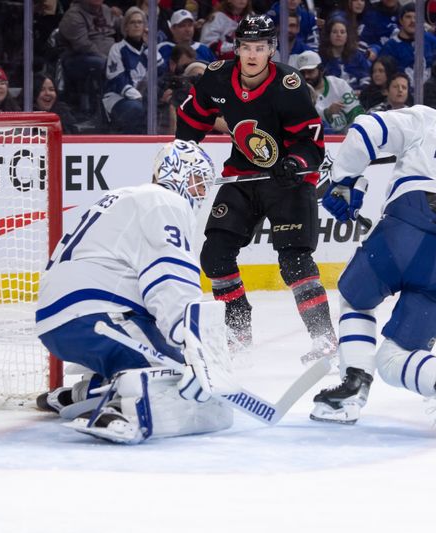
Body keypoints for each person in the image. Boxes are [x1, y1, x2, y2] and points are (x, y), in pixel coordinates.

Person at [311, 87, 436, 437]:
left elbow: (363, 130)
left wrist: (344, 181)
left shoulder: (427, 120)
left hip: (404, 229)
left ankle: (352, 388)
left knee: (356, 299)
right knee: (397, 356)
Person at [36, 140, 233, 444]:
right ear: (176, 172)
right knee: (179, 377)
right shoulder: (165, 202)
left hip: (61, 321)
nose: (201, 192)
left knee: (165, 362)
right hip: (98, 315)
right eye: (197, 180)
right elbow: (169, 277)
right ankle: (120, 411)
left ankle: (79, 395)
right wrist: (191, 343)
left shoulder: (127, 196)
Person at [175, 14, 336, 362]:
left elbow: (311, 142)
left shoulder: (288, 84)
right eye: (246, 46)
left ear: (271, 50)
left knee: (294, 260)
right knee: (214, 257)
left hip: (289, 182)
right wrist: (184, 158)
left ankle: (324, 338)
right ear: (237, 49)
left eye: (260, 48)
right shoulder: (217, 77)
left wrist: (296, 164)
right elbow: (191, 123)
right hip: (243, 176)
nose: (251, 54)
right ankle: (238, 331)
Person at [103, 7, 164, 134]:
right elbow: (117, 79)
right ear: (125, 27)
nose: (136, 25)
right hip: (117, 97)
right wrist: (139, 97)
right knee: (136, 109)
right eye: (132, 22)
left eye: (140, 22)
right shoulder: (118, 48)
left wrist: (151, 46)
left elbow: (162, 70)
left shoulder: (147, 49)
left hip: (144, 98)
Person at [296, 50, 364, 133]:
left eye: (310, 71)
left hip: (348, 137)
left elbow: (357, 114)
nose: (306, 76)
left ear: (321, 69)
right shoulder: (298, 94)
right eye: (302, 73)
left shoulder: (339, 84)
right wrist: (327, 113)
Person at [319, 16, 372, 91]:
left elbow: (366, 77)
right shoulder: (321, 58)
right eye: (334, 32)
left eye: (342, 32)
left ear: (347, 35)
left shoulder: (357, 56)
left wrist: (361, 91)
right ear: (329, 35)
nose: (339, 35)